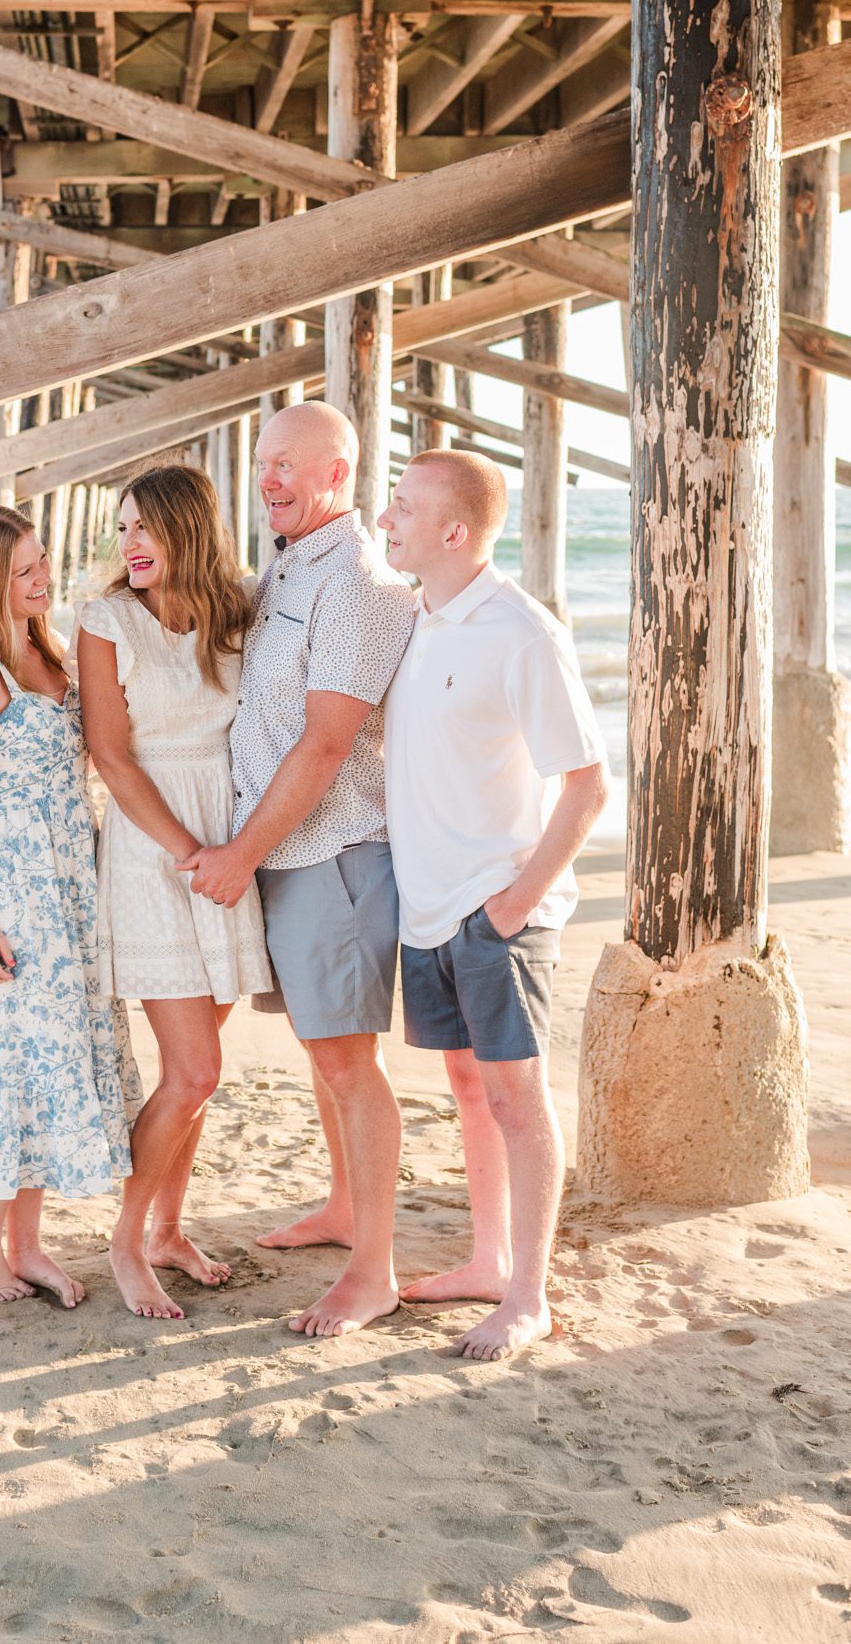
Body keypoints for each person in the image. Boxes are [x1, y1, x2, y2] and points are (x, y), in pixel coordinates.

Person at [182, 402, 416, 1339]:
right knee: (323, 1056)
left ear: (337, 476)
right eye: (264, 463)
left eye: (289, 465)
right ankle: (342, 1207)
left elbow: (324, 746)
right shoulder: (287, 564)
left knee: (349, 1063)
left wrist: (239, 852)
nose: (269, 478)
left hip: (335, 854)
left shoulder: (355, 583)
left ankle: (374, 1272)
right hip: (287, 851)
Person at [379, 450, 610, 1362]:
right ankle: (486, 1259)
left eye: (401, 507)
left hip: (494, 910)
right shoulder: (421, 618)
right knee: (469, 1091)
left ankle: (527, 1295)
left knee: (517, 1099)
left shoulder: (522, 632)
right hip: (428, 906)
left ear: (453, 532)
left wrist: (514, 903)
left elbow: (587, 784)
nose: (386, 519)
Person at [0, 502, 141, 1309]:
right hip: (8, 892)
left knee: (54, 1061)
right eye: (23, 571)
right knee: (15, 1060)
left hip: (67, 885)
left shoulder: (44, 651)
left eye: (42, 560)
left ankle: (26, 1242)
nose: (42, 577)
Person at [76, 466, 274, 1321]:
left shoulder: (236, 611)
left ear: (188, 530)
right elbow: (111, 757)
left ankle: (166, 1229)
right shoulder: (104, 619)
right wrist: (190, 851)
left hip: (226, 842)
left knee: (186, 1074)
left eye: (145, 529)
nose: (129, 546)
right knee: (195, 1073)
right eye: (122, 530)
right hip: (156, 846)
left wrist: (230, 849)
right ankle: (125, 1239)